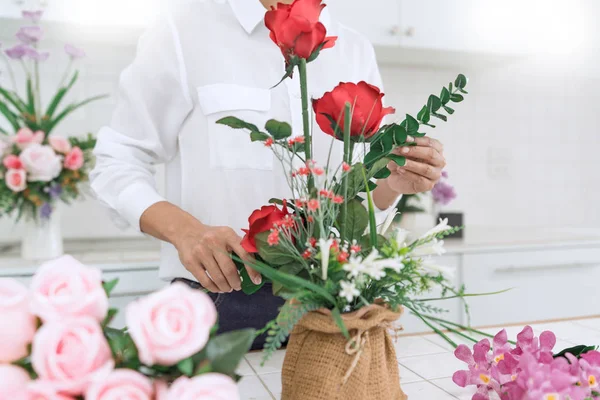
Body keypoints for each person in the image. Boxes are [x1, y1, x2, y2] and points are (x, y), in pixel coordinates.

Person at [90, 0, 447, 349]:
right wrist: (185, 231)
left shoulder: (354, 48)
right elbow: (115, 162)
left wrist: (395, 183)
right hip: (222, 303)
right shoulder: (182, 28)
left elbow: (357, 197)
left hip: (340, 305)